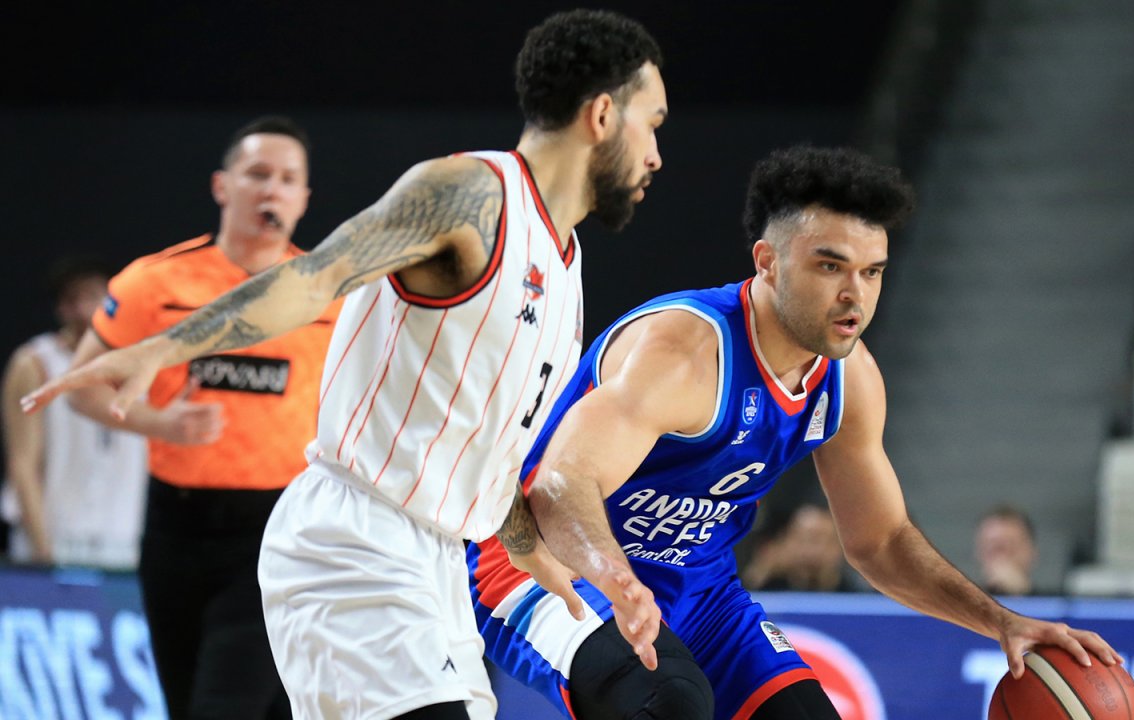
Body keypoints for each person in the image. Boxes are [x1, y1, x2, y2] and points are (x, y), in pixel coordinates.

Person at [22, 10, 669, 719]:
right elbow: (315, 276)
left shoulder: (565, 264)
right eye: (652, 123)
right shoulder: (470, 195)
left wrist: (526, 545)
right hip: (355, 540)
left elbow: (479, 443)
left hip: (437, 565)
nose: (656, 155)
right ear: (601, 115)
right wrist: (163, 346)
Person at [469, 146, 1123, 720]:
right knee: (667, 704)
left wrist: (1001, 622)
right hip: (543, 565)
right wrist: (615, 578)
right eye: (831, 267)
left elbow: (880, 541)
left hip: (698, 589)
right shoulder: (686, 353)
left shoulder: (850, 380)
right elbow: (559, 486)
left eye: (872, 271)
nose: (855, 295)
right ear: (769, 263)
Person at [48, 116, 340, 718]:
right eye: (258, 174)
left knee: (222, 706)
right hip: (174, 526)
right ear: (221, 186)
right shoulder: (154, 283)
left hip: (277, 531)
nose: (272, 190)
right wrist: (157, 422)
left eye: (288, 179)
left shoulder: (328, 294)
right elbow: (81, 388)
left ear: (304, 199)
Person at [0, 255, 148, 568]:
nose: (84, 310)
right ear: (60, 308)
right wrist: (43, 551)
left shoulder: (144, 363)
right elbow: (22, 462)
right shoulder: (36, 363)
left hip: (124, 542)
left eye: (93, 296)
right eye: (72, 299)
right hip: (54, 538)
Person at [743, 501, 861, 593]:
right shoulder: (767, 592)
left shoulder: (859, 598)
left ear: (839, 547)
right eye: (803, 540)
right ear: (787, 542)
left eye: (821, 541)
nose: (812, 551)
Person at [974, 504, 1040, 596]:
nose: (1001, 559)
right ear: (979, 553)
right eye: (993, 548)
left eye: (1011, 546)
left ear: (1032, 552)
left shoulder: (1056, 601)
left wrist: (1022, 594)